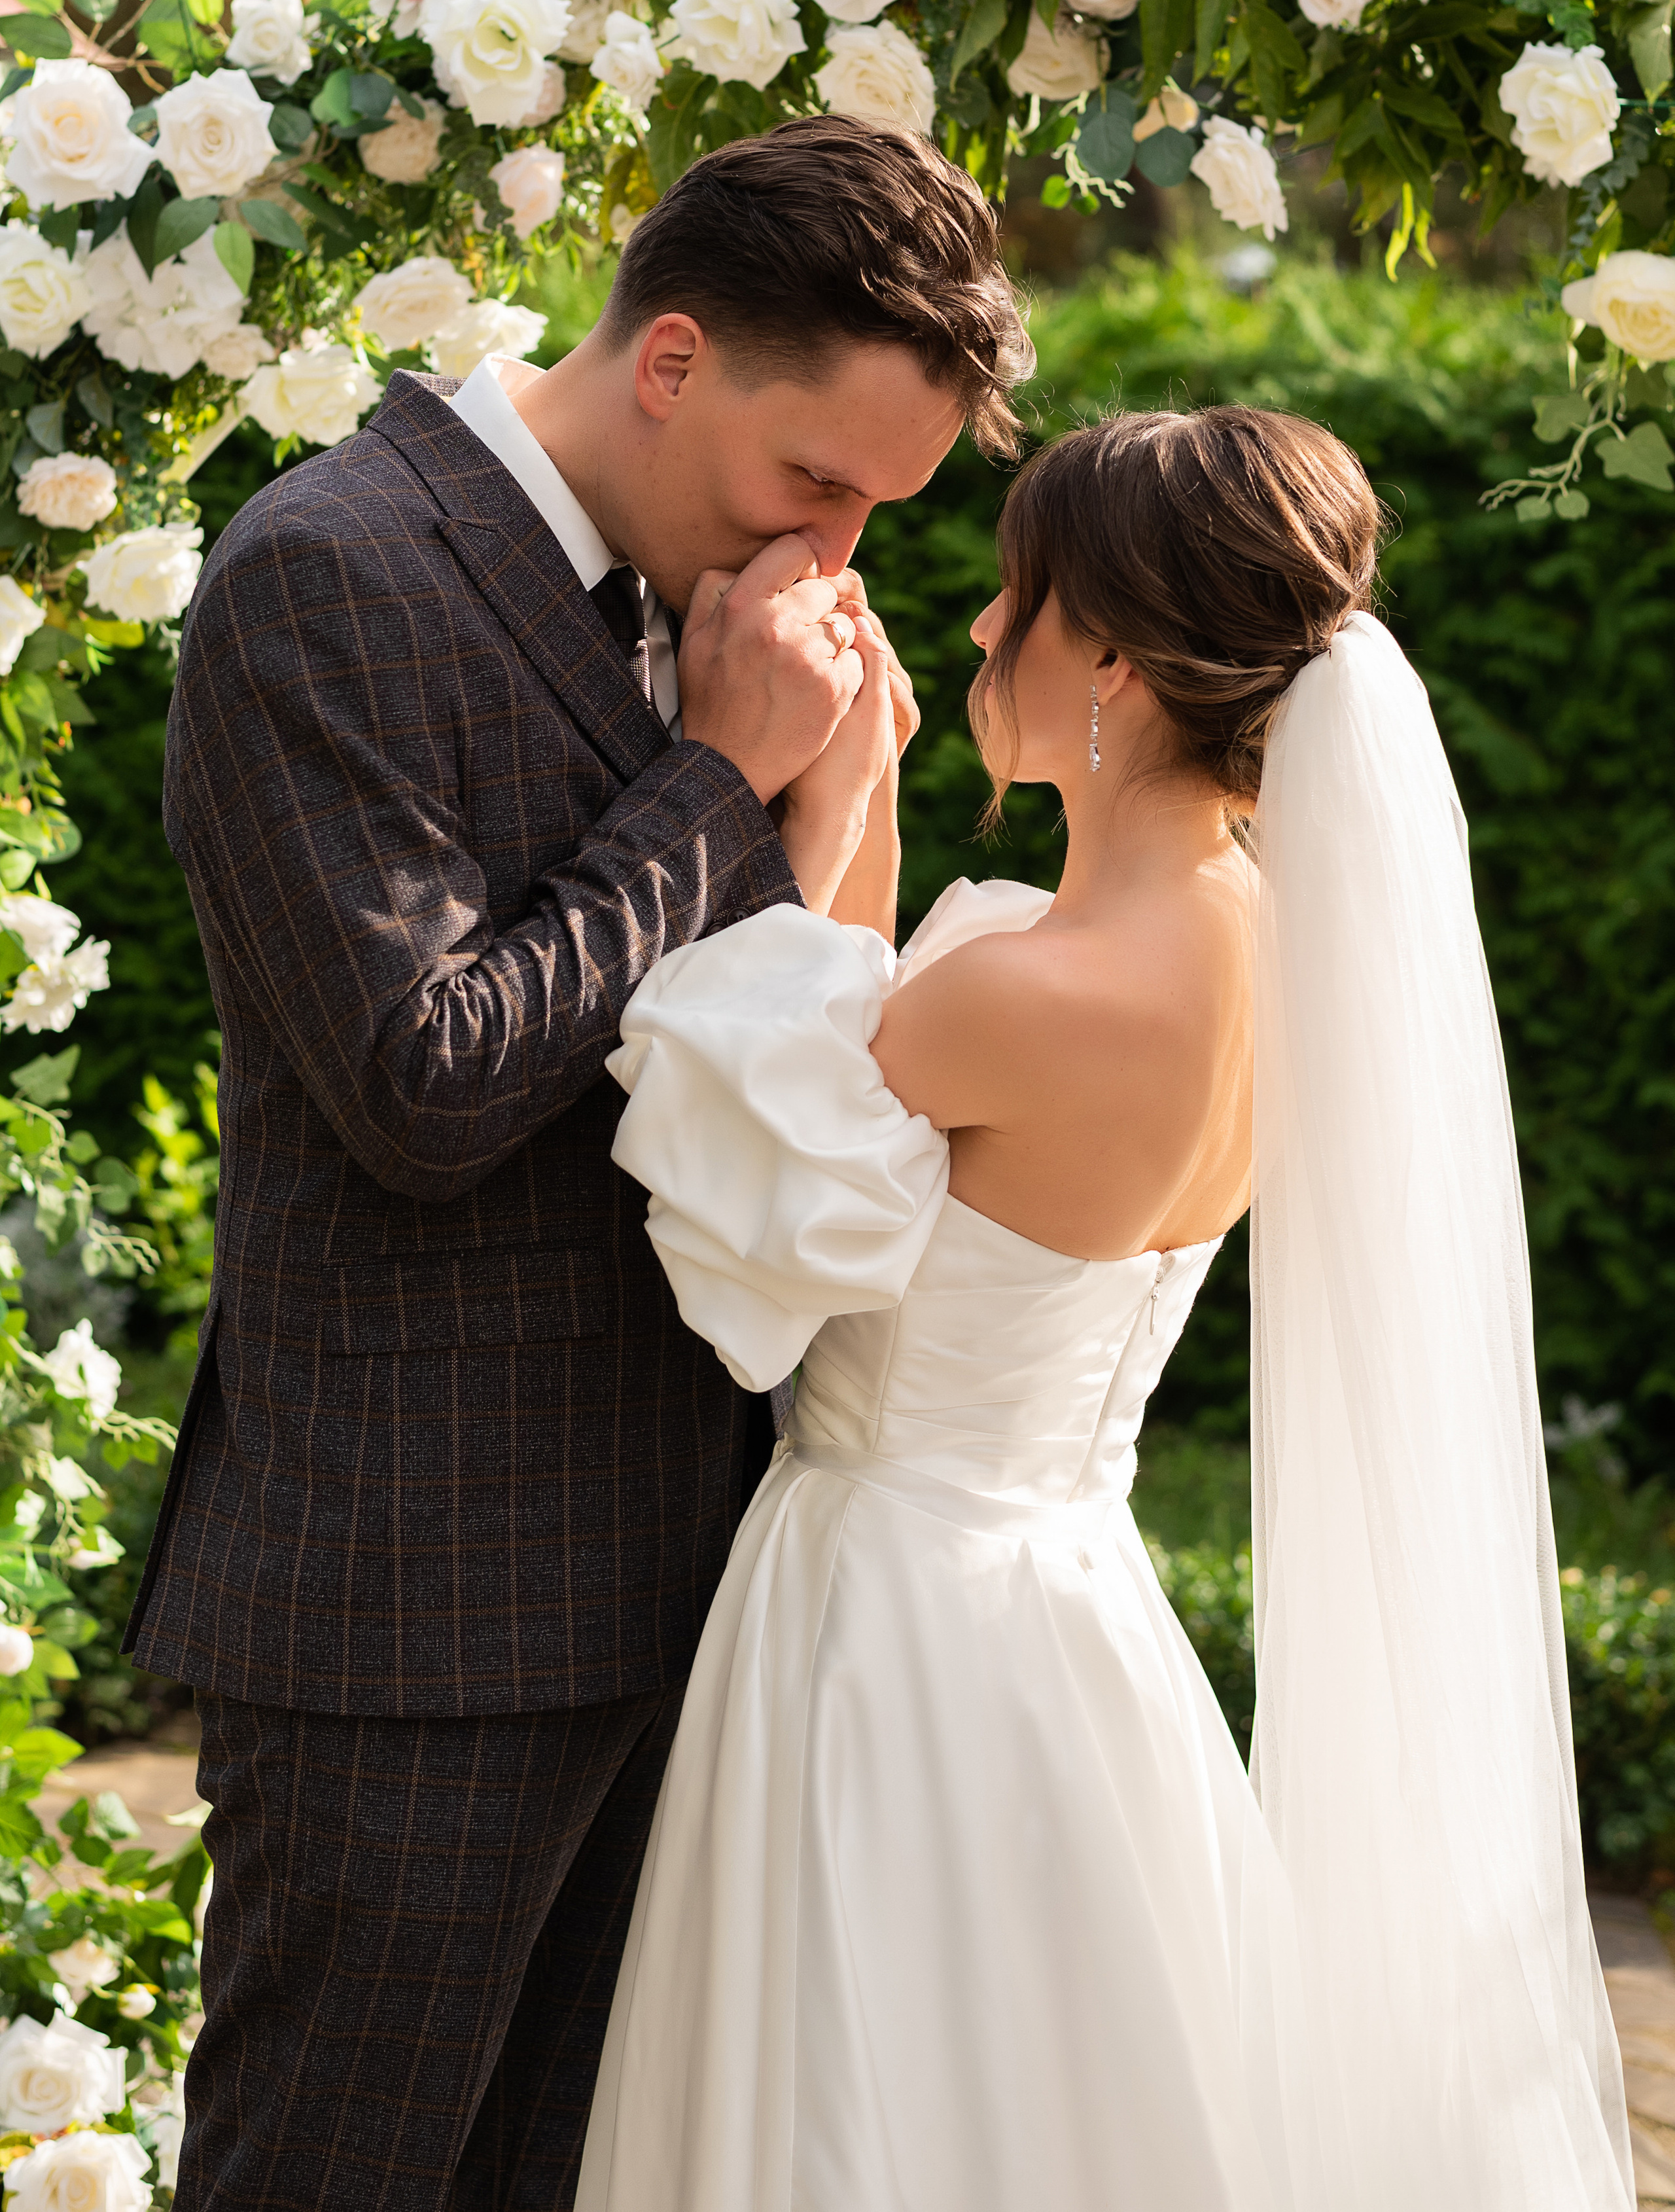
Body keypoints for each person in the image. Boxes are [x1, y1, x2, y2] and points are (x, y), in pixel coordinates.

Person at [120, 116, 1034, 2210]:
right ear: (676, 358)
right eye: (820, 484)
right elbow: (422, 1079)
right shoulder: (324, 572)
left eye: (883, 513)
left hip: (689, 1590)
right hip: (410, 1613)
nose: (836, 558)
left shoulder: (731, 608)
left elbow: (773, 1067)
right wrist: (720, 773)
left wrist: (826, 803)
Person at [578, 405, 1634, 2211]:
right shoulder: (1275, 954)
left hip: (883, 1616)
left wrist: (824, 801)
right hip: (1076, 1601)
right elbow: (889, 1100)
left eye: (1018, 600)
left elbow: (751, 1186)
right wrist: (881, 839)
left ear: (1123, 663)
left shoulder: (1029, 991)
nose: (983, 635)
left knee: (868, 2092)